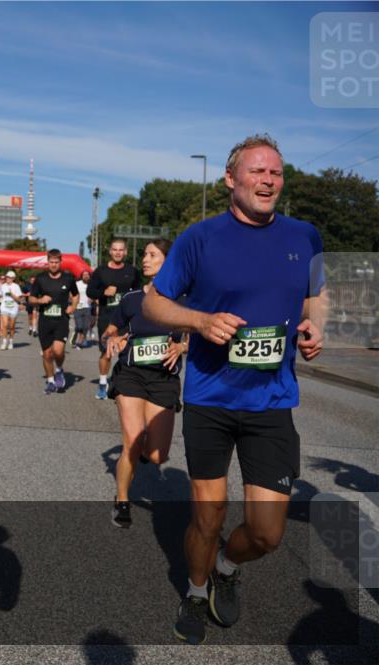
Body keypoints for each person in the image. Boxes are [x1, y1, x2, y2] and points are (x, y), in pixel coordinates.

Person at [142, 134, 325, 645]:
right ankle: (196, 592)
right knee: (209, 512)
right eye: (257, 171)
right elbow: (154, 306)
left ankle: (226, 563)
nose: (269, 180)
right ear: (230, 179)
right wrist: (199, 321)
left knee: (267, 534)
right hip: (210, 398)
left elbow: (316, 294)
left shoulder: (304, 236)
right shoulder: (199, 239)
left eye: (276, 173)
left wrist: (315, 325)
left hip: (271, 401)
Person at [103, 239, 185, 528]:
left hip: (164, 378)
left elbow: (200, 334)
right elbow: (111, 328)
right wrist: (112, 337)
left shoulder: (184, 300)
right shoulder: (132, 298)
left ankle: (145, 454)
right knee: (133, 441)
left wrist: (182, 347)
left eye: (153, 255)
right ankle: (122, 500)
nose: (145, 260)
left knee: (157, 454)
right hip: (131, 374)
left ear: (169, 261)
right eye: (145, 255)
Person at [88, 239, 142, 399]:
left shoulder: (132, 271)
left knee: (126, 351)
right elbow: (90, 291)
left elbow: (140, 293)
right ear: (110, 252)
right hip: (107, 317)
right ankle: (103, 383)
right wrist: (103, 292)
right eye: (115, 249)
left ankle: (126, 383)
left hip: (127, 319)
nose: (118, 252)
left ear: (125, 252)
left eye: (121, 250)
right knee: (107, 352)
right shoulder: (100, 271)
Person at [30, 249, 78, 394]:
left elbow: (75, 296)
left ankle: (59, 369)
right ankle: (51, 381)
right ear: (48, 261)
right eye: (51, 262)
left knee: (58, 351)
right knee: (47, 354)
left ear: (60, 262)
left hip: (61, 320)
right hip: (45, 320)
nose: (54, 264)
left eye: (56, 262)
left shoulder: (68, 278)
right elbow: (31, 299)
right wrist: (39, 300)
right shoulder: (40, 279)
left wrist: (73, 307)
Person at [0, 270, 24, 350]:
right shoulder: (3, 286)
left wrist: (11, 294)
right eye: (7, 277)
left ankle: (11, 342)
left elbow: (19, 299)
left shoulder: (16, 286)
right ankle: (4, 342)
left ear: (13, 278)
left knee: (12, 326)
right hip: (4, 307)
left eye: (10, 277)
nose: (8, 279)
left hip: (13, 307)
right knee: (5, 325)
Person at [73, 270, 93, 348]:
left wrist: (92, 298)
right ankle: (76, 332)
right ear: (81, 276)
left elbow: (94, 293)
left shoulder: (91, 285)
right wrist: (73, 301)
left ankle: (81, 341)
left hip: (87, 307)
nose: (86, 276)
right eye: (84, 275)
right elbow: (71, 294)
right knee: (79, 326)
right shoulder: (77, 284)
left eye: (87, 275)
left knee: (85, 326)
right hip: (78, 307)